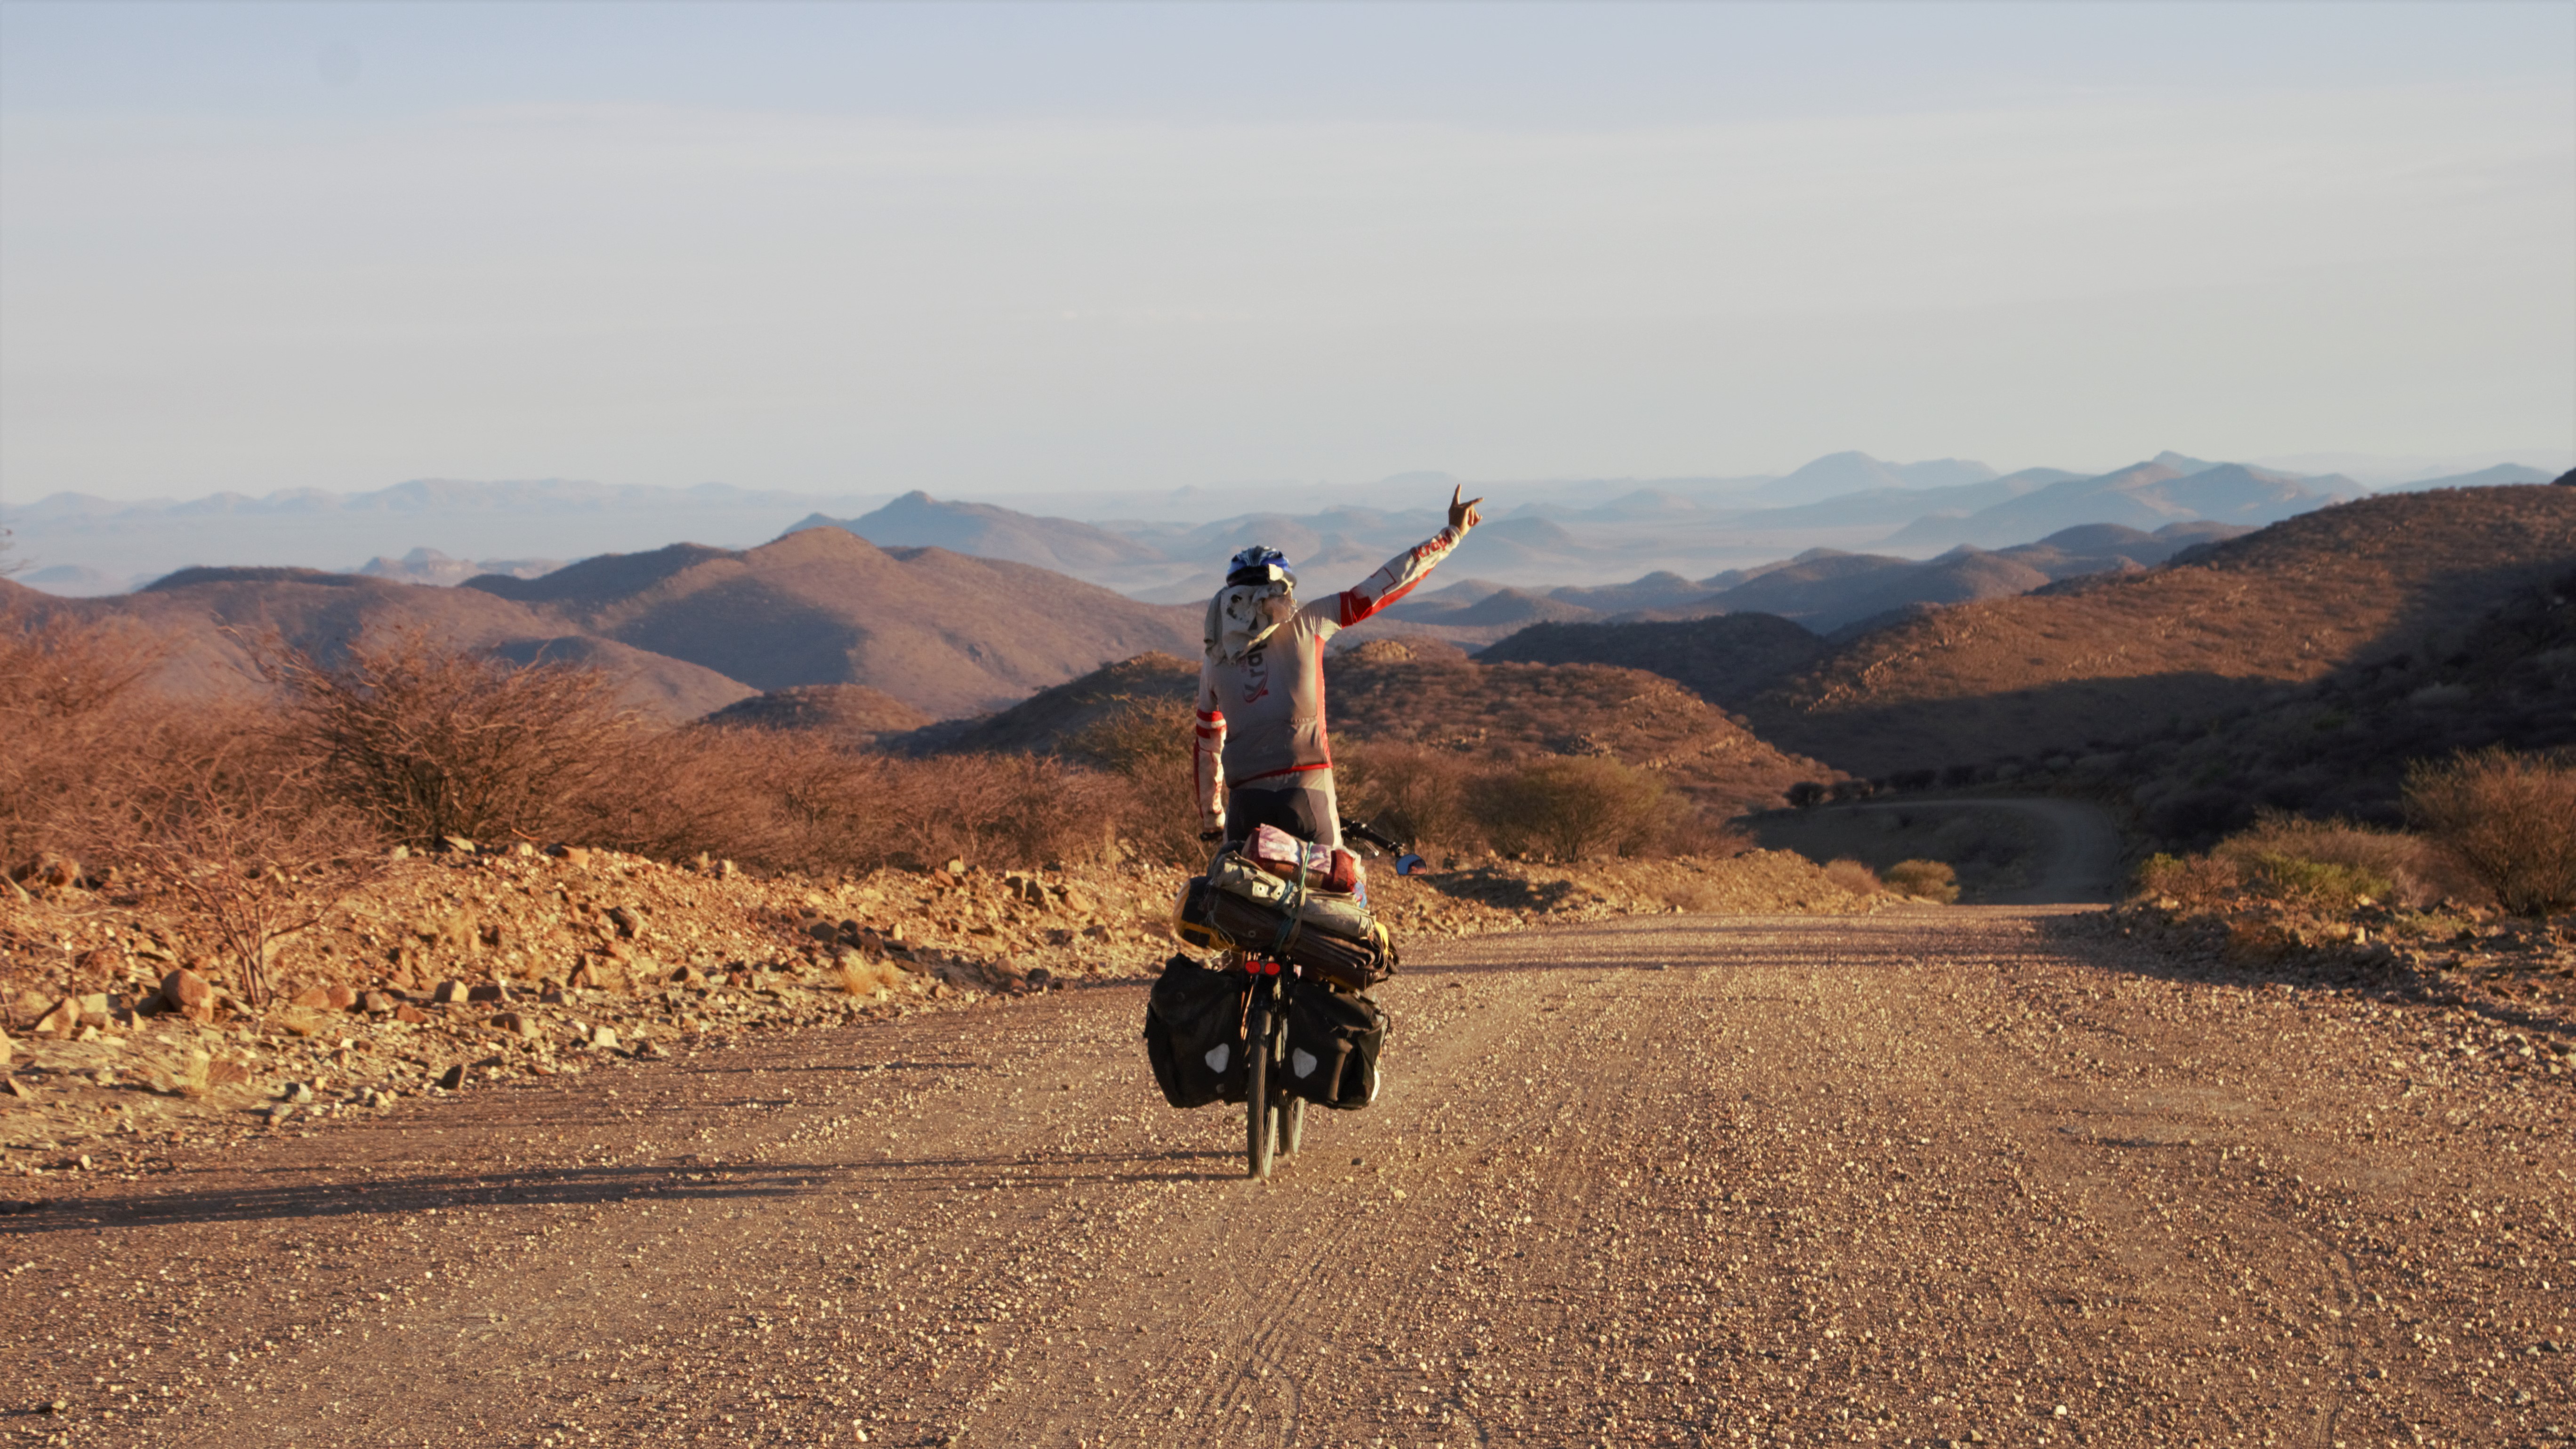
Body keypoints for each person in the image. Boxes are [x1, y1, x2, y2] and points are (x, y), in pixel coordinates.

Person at [1193, 485, 1484, 852]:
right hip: (1308, 785)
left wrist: (1212, 817)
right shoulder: (1311, 621)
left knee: (1234, 893)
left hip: (1244, 802)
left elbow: (1208, 745)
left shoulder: (1214, 659)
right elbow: (1383, 586)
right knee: (1336, 889)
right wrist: (1452, 535)